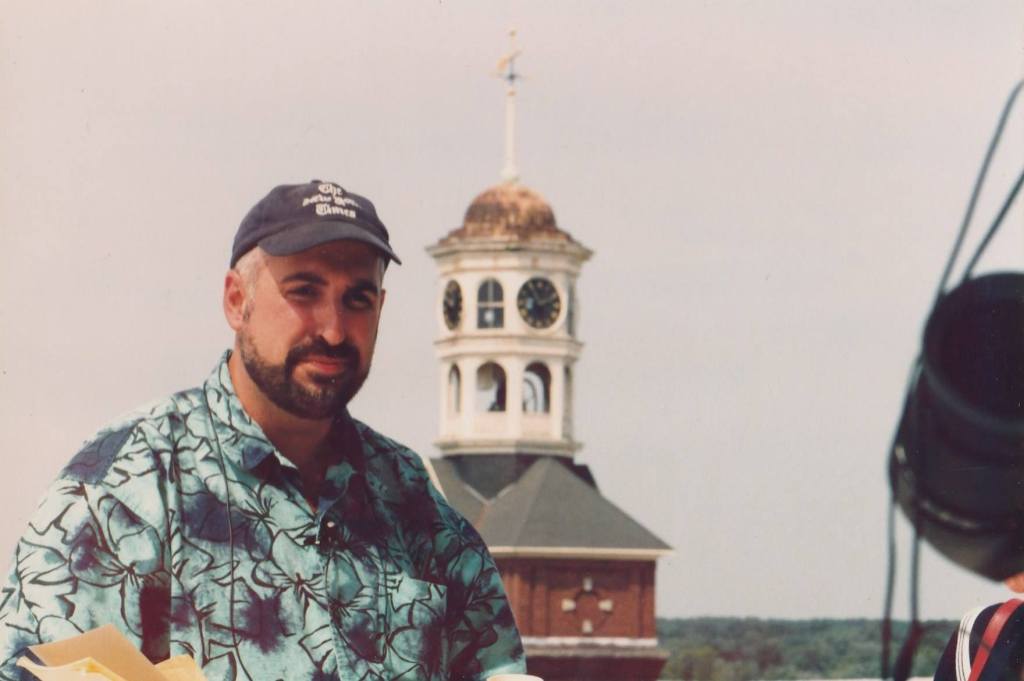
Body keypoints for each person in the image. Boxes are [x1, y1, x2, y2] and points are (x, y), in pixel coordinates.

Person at [0, 180, 526, 680]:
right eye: (304, 292)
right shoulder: (128, 483)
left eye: (357, 300)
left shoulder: (413, 500)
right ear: (236, 300)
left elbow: (496, 668)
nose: (333, 329)